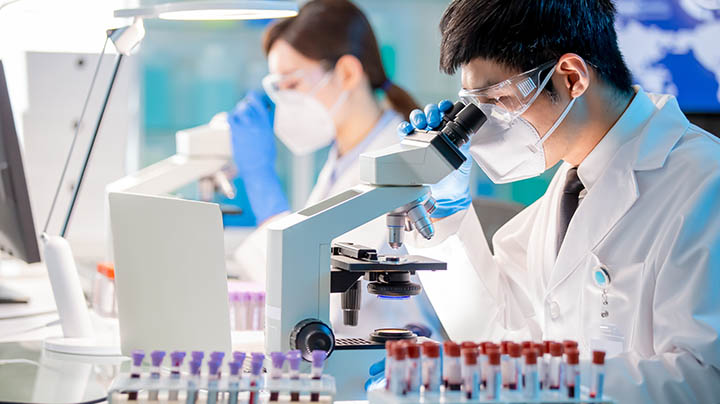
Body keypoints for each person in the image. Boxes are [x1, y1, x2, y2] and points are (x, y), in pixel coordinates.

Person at [367, 0, 720, 402]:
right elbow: (493, 332)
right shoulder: (564, 196)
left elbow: (703, 380)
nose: (482, 131)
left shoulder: (705, 184)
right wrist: (446, 215)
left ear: (570, 77)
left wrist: (528, 379)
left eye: (496, 102)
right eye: (474, 108)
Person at [227, 0, 467, 336]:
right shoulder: (345, 157)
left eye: (292, 85)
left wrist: (263, 187)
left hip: (389, 359)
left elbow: (320, 295)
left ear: (348, 73)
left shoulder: (395, 157)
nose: (284, 103)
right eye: (277, 90)